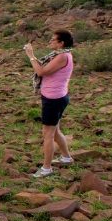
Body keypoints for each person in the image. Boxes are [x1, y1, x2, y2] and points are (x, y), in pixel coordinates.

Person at [24, 29, 75, 178]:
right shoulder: (61, 55)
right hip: (57, 96)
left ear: (61, 43)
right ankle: (66, 157)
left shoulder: (62, 56)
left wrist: (31, 56)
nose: (50, 42)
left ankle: (47, 168)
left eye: (53, 40)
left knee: (48, 134)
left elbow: (41, 72)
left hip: (54, 99)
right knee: (55, 130)